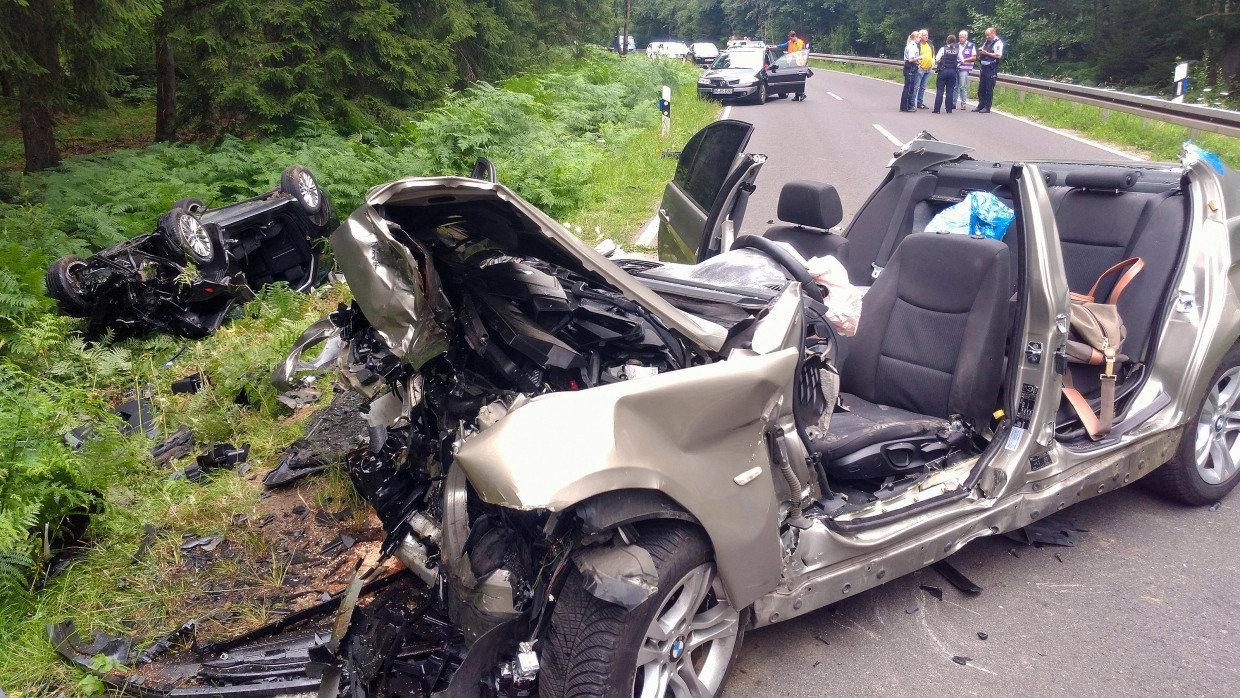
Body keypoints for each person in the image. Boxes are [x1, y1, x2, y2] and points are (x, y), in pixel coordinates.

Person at [974, 26, 1004, 113]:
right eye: (986, 35)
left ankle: (987, 107)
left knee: (989, 88)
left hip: (991, 68)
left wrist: (986, 53)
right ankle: (981, 105)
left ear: (993, 33)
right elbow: (983, 49)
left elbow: (998, 55)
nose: (987, 37)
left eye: (988, 35)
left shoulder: (998, 43)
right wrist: (981, 50)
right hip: (983, 67)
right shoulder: (987, 42)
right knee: (981, 88)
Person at [932, 35, 960, 113]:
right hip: (952, 72)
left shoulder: (943, 49)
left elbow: (937, 60)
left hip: (943, 71)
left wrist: (941, 62)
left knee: (940, 90)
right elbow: (961, 60)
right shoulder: (957, 50)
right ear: (954, 42)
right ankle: (949, 109)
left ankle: (937, 109)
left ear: (947, 41)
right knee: (950, 91)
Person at [900, 31, 920, 112]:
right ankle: (906, 106)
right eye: (919, 37)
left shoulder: (912, 45)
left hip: (910, 67)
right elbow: (911, 59)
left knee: (908, 87)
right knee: (909, 88)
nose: (919, 39)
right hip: (910, 67)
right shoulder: (912, 46)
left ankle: (906, 106)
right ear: (915, 37)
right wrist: (920, 57)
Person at [956, 30, 976, 110]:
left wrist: (965, 60)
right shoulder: (956, 45)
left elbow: (974, 57)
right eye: (960, 37)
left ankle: (963, 103)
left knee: (962, 86)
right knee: (954, 86)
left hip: (965, 68)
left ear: (966, 37)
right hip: (956, 67)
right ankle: (953, 103)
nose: (961, 39)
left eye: (963, 37)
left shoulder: (971, 45)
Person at [915, 29, 933, 109]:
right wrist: (917, 65)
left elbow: (933, 52)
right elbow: (915, 55)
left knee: (923, 87)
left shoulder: (929, 43)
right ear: (920, 36)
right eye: (924, 35)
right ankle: (912, 102)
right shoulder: (918, 45)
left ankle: (920, 103)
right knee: (916, 86)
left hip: (928, 68)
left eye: (927, 35)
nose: (926, 36)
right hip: (920, 68)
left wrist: (933, 63)